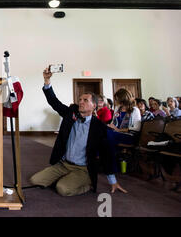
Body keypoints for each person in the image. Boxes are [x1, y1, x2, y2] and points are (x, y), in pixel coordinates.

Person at [28, 67, 127, 196]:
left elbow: (106, 154)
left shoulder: (99, 127)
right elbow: (54, 102)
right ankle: (65, 178)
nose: (81, 102)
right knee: (35, 181)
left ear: (94, 106)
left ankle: (87, 183)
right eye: (80, 100)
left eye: (85, 100)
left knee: (62, 189)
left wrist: (112, 181)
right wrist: (47, 81)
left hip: (82, 168)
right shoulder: (71, 114)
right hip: (63, 164)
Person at [107, 89, 141, 174]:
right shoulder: (117, 108)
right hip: (116, 134)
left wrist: (118, 130)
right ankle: (107, 163)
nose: (117, 101)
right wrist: (110, 126)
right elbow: (113, 122)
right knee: (102, 133)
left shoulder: (134, 110)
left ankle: (111, 166)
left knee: (108, 136)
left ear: (124, 99)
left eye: (118, 99)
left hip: (129, 136)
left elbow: (136, 128)